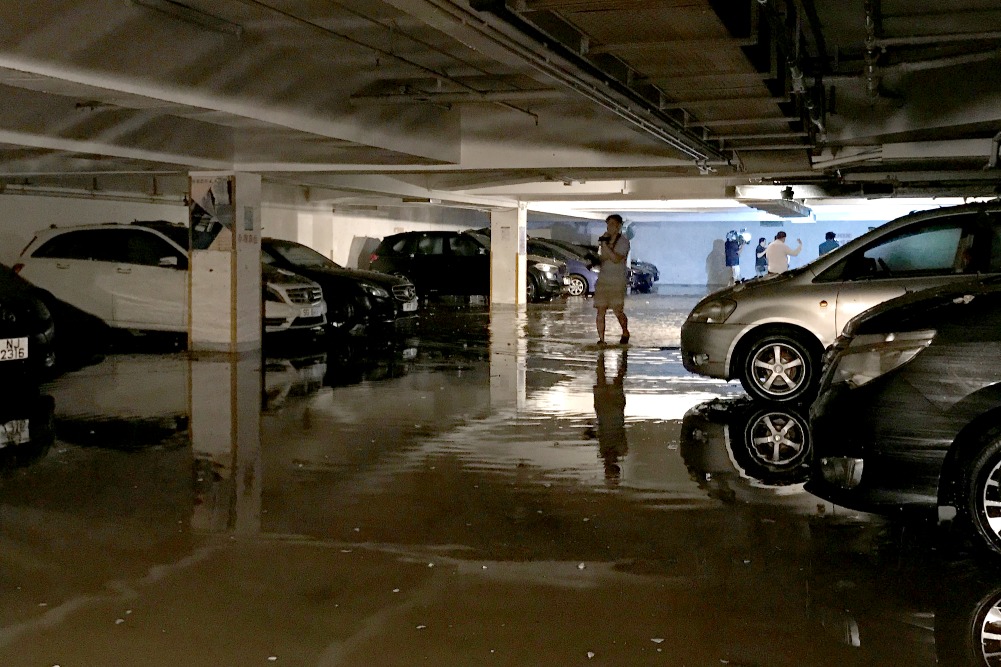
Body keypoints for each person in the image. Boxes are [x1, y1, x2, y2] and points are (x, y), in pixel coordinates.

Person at [594, 214, 630, 345]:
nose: (609, 227)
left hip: (617, 281)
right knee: (600, 309)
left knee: (618, 310)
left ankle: (625, 331)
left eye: (612, 224)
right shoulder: (605, 241)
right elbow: (602, 258)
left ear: (618, 226)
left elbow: (616, 258)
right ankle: (601, 340)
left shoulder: (624, 242)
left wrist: (605, 246)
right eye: (607, 224)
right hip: (603, 279)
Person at [592, 349, 628, 482]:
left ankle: (604, 355)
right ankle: (616, 355)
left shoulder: (618, 450)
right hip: (609, 412)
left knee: (610, 378)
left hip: (610, 412)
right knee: (613, 378)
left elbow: (602, 433)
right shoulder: (616, 450)